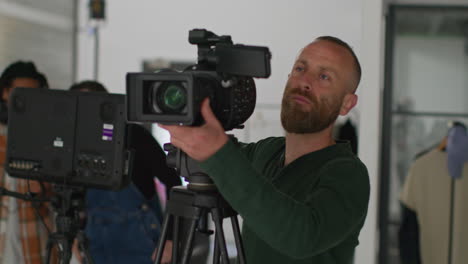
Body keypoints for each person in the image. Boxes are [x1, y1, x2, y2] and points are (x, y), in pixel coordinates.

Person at [159, 36, 370, 263]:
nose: (305, 81)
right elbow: (217, 163)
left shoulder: (347, 173)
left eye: (324, 76)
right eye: (300, 68)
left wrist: (217, 152)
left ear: (347, 104)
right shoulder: (268, 152)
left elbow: (301, 237)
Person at [69, 80, 181, 264]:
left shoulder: (133, 135)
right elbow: (73, 197)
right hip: (96, 244)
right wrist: (74, 237)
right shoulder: (74, 144)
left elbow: (173, 181)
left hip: (143, 244)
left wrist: (170, 239)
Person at [0, 61, 53, 263]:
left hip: (34, 231)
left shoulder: (47, 136)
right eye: (20, 92)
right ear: (5, 93)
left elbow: (58, 192)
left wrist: (44, 189)